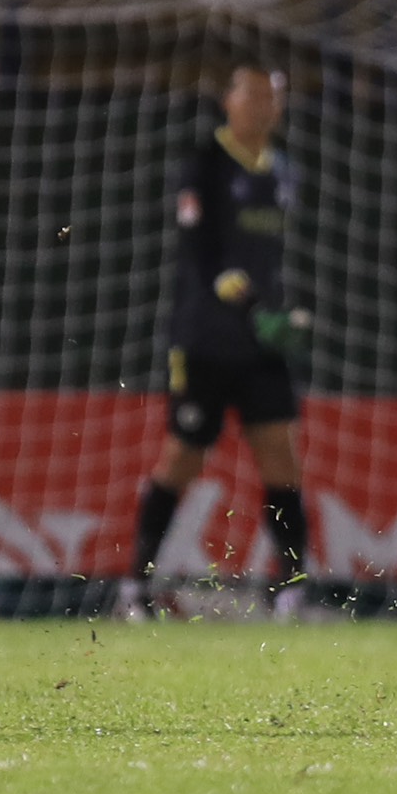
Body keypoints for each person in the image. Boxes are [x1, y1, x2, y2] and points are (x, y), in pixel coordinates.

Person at [118, 61, 313, 620]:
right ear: (228, 102)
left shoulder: (282, 171)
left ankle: (294, 588)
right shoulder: (204, 164)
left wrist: (281, 313)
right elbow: (202, 253)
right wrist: (252, 305)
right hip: (205, 339)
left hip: (262, 346)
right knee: (180, 457)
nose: (262, 107)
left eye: (271, 98)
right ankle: (135, 586)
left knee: (281, 459)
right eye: (251, 96)